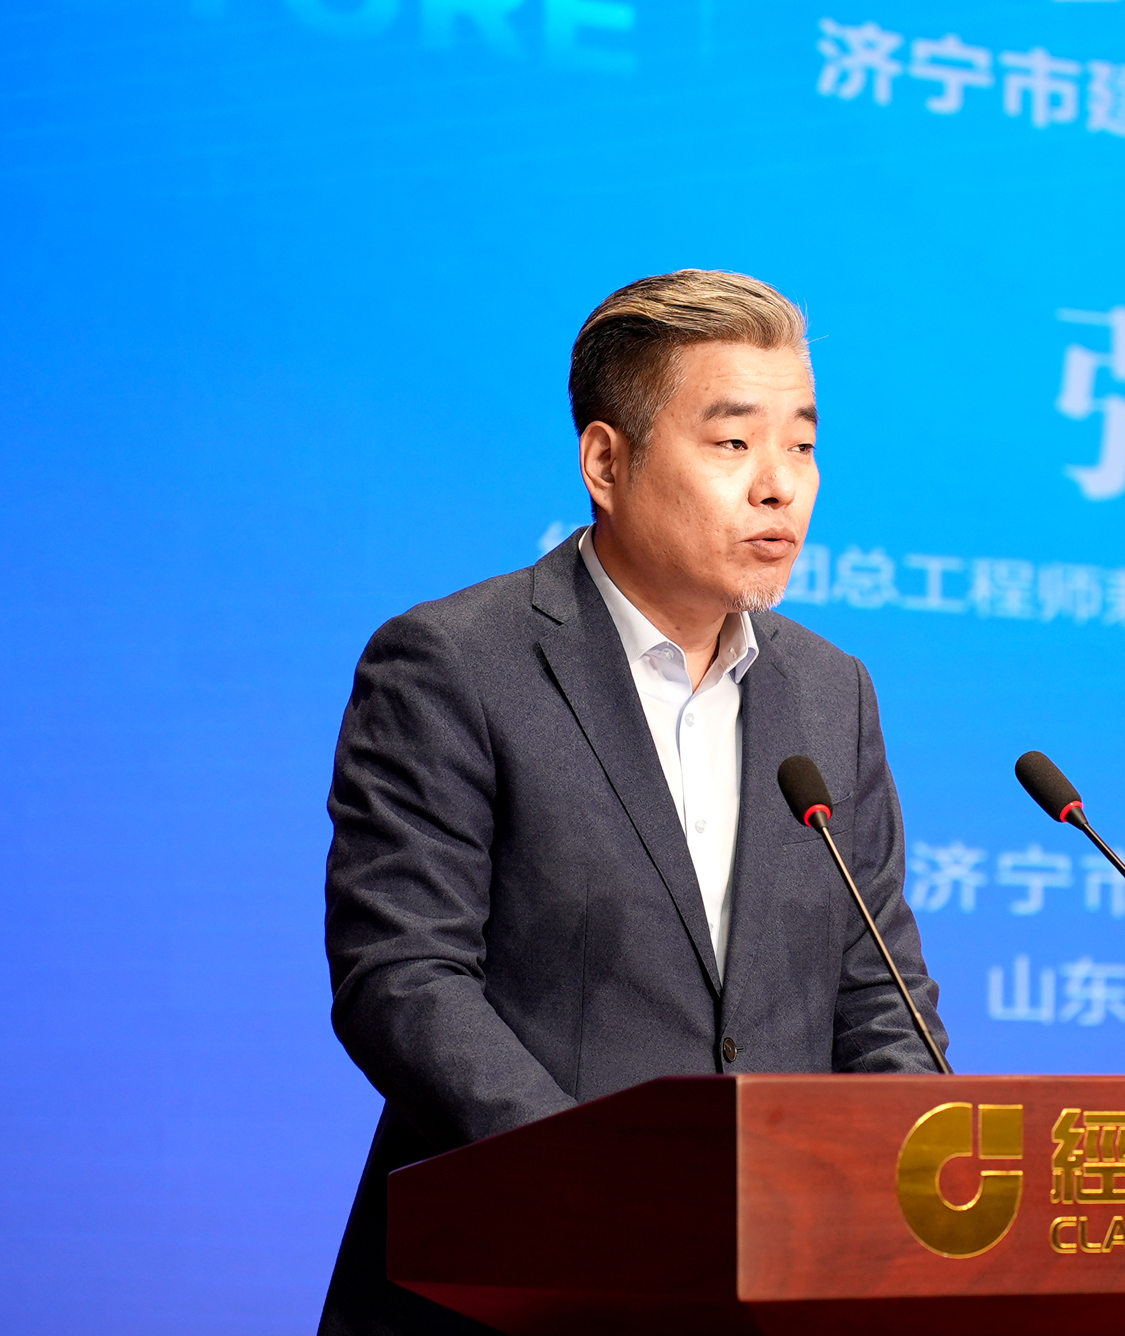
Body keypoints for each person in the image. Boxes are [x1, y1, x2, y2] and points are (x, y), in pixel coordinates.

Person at [317, 270, 947, 1336]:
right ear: (606, 462)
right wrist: (606, 1197)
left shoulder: (830, 691)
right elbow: (404, 979)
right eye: (733, 442)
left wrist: (916, 1190)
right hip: (513, 1281)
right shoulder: (455, 663)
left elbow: (877, 991)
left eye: (801, 444)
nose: (779, 487)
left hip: (773, 1292)